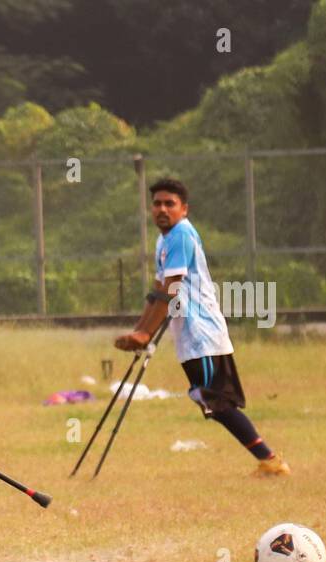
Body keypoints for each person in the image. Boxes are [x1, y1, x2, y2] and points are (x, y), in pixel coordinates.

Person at [115, 177, 289, 476]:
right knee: (210, 399)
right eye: (157, 203)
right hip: (187, 334)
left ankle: (271, 461)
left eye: (170, 203)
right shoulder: (164, 240)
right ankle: (268, 460)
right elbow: (158, 288)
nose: (162, 209)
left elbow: (171, 287)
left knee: (214, 400)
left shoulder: (181, 234)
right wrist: (140, 331)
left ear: (184, 209)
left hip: (202, 332)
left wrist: (145, 333)